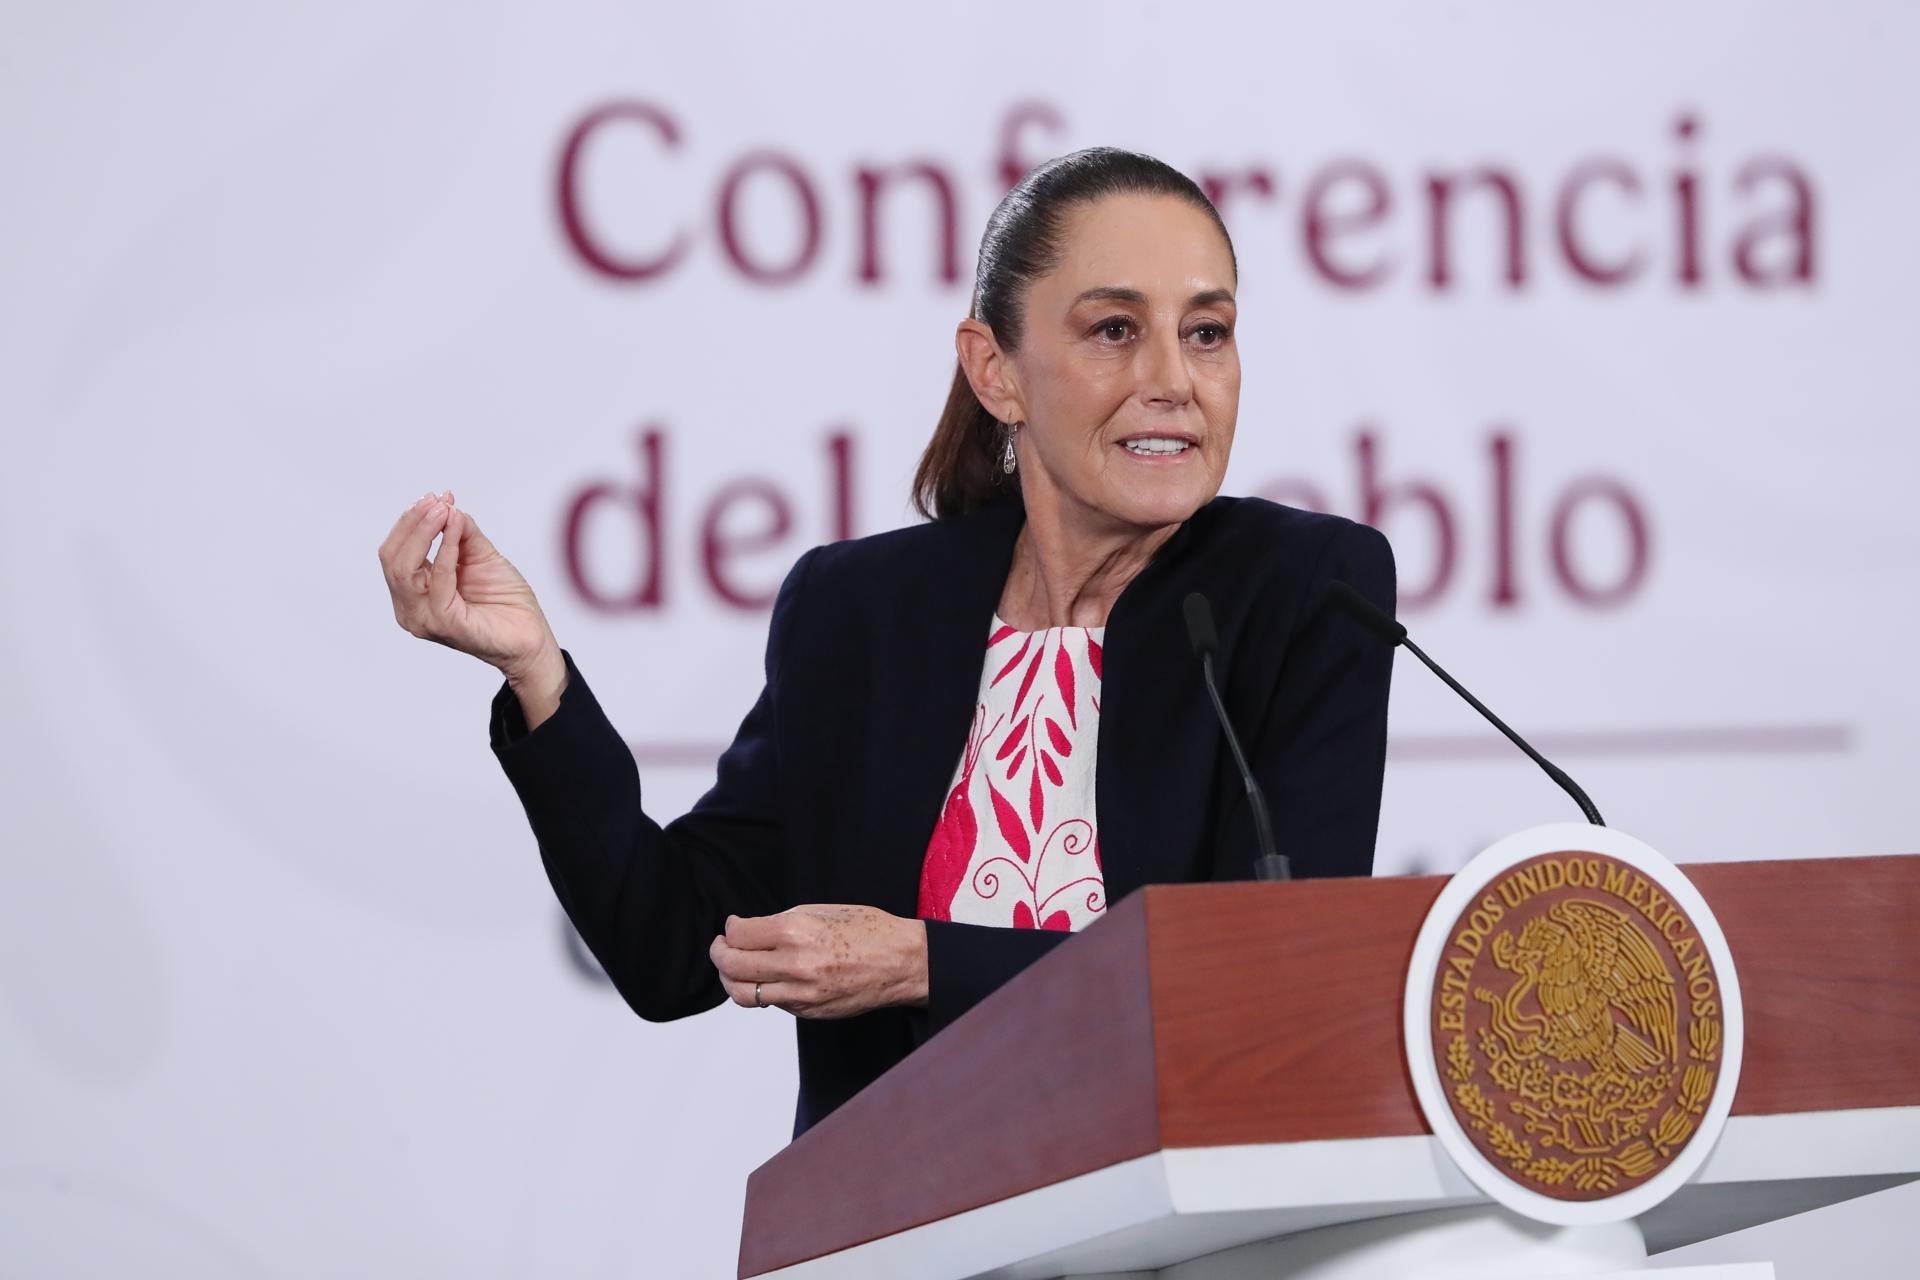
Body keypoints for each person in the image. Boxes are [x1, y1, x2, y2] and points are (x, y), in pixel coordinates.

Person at [377, 147, 1397, 1139]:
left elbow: (1266, 983)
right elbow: (666, 944)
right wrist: (537, 673)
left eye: (1208, 331)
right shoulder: (858, 613)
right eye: (1116, 329)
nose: (1174, 378)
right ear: (995, 369)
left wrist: (922, 962)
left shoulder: (1306, 590)